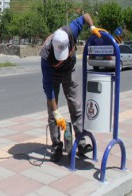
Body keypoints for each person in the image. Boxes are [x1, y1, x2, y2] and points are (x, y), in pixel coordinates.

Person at [40, 13, 102, 162]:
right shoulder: (46, 57)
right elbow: (49, 90)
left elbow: (85, 16)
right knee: (52, 113)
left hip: (70, 70)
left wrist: (92, 26)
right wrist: (56, 113)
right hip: (54, 75)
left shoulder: (71, 31)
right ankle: (56, 146)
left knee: (76, 106)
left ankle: (81, 143)